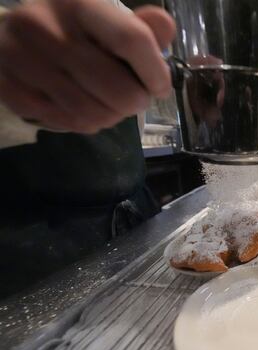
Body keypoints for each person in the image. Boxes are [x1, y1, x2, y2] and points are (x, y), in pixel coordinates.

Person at [0, 0, 176, 297]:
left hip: (136, 217)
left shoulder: (119, 11)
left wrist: (187, 98)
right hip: (37, 248)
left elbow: (152, 101)